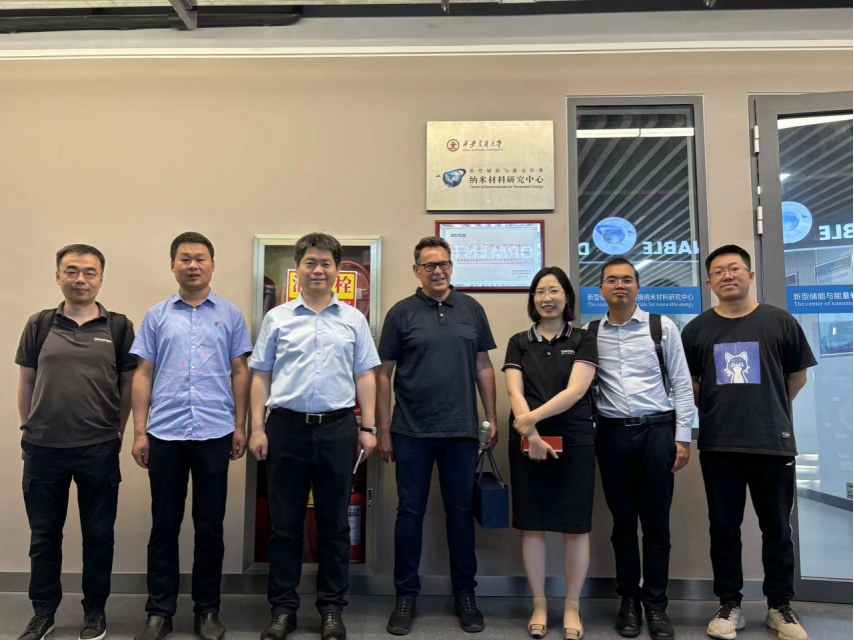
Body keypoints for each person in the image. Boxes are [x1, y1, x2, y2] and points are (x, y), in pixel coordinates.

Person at [248, 232, 380, 640]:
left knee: (334, 524)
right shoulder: (278, 318)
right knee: (284, 524)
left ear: (337, 270)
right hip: (285, 428)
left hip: (338, 429)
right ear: (298, 269)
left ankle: (331, 609)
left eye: (326, 263)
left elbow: (365, 375)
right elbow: (261, 374)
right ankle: (282, 609)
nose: (318, 270)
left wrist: (369, 427)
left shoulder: (354, 320)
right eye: (310, 262)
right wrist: (257, 427)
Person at [681, 245, 816, 640]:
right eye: (719, 271)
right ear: (709, 283)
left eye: (735, 268)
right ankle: (729, 604)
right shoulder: (697, 329)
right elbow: (692, 385)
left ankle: (780, 606)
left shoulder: (780, 321)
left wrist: (768, 407)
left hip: (772, 441)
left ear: (750, 275)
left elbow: (798, 377)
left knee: (777, 528)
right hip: (719, 444)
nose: (728, 275)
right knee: (724, 528)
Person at [130, 232, 253, 640]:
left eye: (201, 258)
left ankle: (207, 611)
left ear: (212, 265)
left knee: (210, 527)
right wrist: (140, 431)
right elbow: (143, 373)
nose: (193, 265)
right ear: (173, 266)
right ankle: (159, 612)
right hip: (165, 433)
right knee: (164, 526)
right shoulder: (157, 315)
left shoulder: (230, 315)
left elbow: (240, 371)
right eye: (185, 258)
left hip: (215, 432)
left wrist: (240, 425)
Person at [377, 236, 498, 636]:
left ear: (451, 266)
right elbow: (383, 374)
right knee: (409, 514)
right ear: (417, 271)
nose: (438, 271)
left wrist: (490, 417)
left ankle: (465, 595)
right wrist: (383, 428)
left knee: (460, 515)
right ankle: (405, 597)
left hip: (461, 431)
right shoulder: (401, 313)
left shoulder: (472, 309)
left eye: (443, 263)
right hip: (410, 431)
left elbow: (483, 366)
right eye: (429, 265)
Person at [15, 244, 136, 640]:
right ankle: (43, 612)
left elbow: (127, 387)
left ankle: (94, 612)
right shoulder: (39, 324)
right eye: (71, 271)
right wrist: (27, 430)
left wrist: (116, 433)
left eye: (89, 272)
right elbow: (26, 382)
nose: (80, 279)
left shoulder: (118, 327)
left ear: (101, 278)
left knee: (99, 536)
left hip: (98, 449)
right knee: (44, 537)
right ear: (58, 277)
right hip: (43, 449)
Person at [584, 258, 695, 640]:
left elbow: (682, 384)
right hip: (611, 435)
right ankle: (628, 601)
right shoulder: (590, 333)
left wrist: (683, 437)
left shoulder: (661, 327)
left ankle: (656, 605)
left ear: (638, 287)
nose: (620, 285)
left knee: (657, 525)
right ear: (600, 289)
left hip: (657, 433)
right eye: (612, 280)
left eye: (627, 279)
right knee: (622, 525)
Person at [503, 266, 598, 640]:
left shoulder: (584, 338)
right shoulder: (518, 341)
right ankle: (539, 604)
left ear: (567, 298)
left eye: (554, 290)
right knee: (533, 523)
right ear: (532, 299)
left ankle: (572, 606)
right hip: (528, 440)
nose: (547, 298)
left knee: (576, 527)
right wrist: (531, 432)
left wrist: (530, 420)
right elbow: (514, 390)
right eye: (540, 291)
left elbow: (576, 391)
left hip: (574, 439)